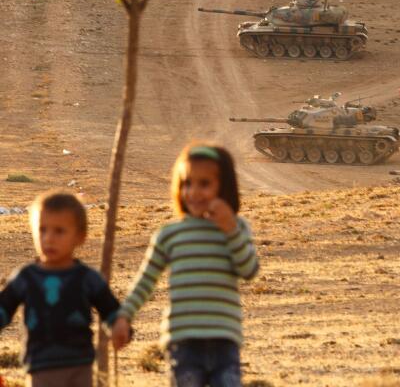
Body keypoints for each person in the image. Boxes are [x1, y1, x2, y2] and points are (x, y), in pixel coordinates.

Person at [111, 143, 259, 387]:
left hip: (225, 340)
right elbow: (145, 281)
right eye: (187, 183)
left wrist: (230, 230)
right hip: (183, 342)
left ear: (225, 187)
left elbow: (249, 271)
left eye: (204, 184)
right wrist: (124, 317)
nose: (193, 192)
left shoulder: (237, 228)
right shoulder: (169, 235)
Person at [0, 191, 121, 387]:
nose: (49, 239)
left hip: (80, 366)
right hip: (41, 367)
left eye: (59, 231)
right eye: (42, 230)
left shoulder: (86, 278)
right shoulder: (25, 278)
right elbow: (4, 308)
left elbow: (111, 309)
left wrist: (119, 326)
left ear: (80, 237)